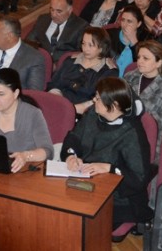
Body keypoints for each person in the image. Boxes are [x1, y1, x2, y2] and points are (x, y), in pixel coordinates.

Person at [62, 77, 152, 233]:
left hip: (118, 199)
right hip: (85, 185)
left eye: (98, 98)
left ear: (114, 106)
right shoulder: (92, 115)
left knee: (77, 227)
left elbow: (139, 178)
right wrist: (71, 156)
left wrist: (110, 168)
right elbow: (73, 139)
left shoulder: (132, 132)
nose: (94, 100)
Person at [124, 41, 162, 156]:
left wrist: (141, 118)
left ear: (159, 62)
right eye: (139, 57)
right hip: (123, 130)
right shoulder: (130, 77)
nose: (139, 61)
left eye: (145, 58)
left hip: (153, 136)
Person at [47, 27, 117, 114]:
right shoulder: (70, 61)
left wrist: (73, 109)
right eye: (83, 43)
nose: (85, 49)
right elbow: (54, 83)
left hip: (84, 113)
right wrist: (56, 96)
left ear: (102, 47)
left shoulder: (109, 72)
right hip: (58, 104)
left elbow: (102, 100)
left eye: (90, 45)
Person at [26, 0, 90, 61]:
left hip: (64, 66)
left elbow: (83, 53)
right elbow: (29, 41)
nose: (53, 15)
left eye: (59, 11)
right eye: (52, 10)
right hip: (41, 61)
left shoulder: (81, 26)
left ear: (70, 10)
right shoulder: (43, 19)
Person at [109, 5, 151, 75]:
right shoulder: (110, 34)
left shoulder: (146, 40)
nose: (125, 25)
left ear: (138, 24)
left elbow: (142, 65)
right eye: (123, 20)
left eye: (129, 21)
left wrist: (133, 40)